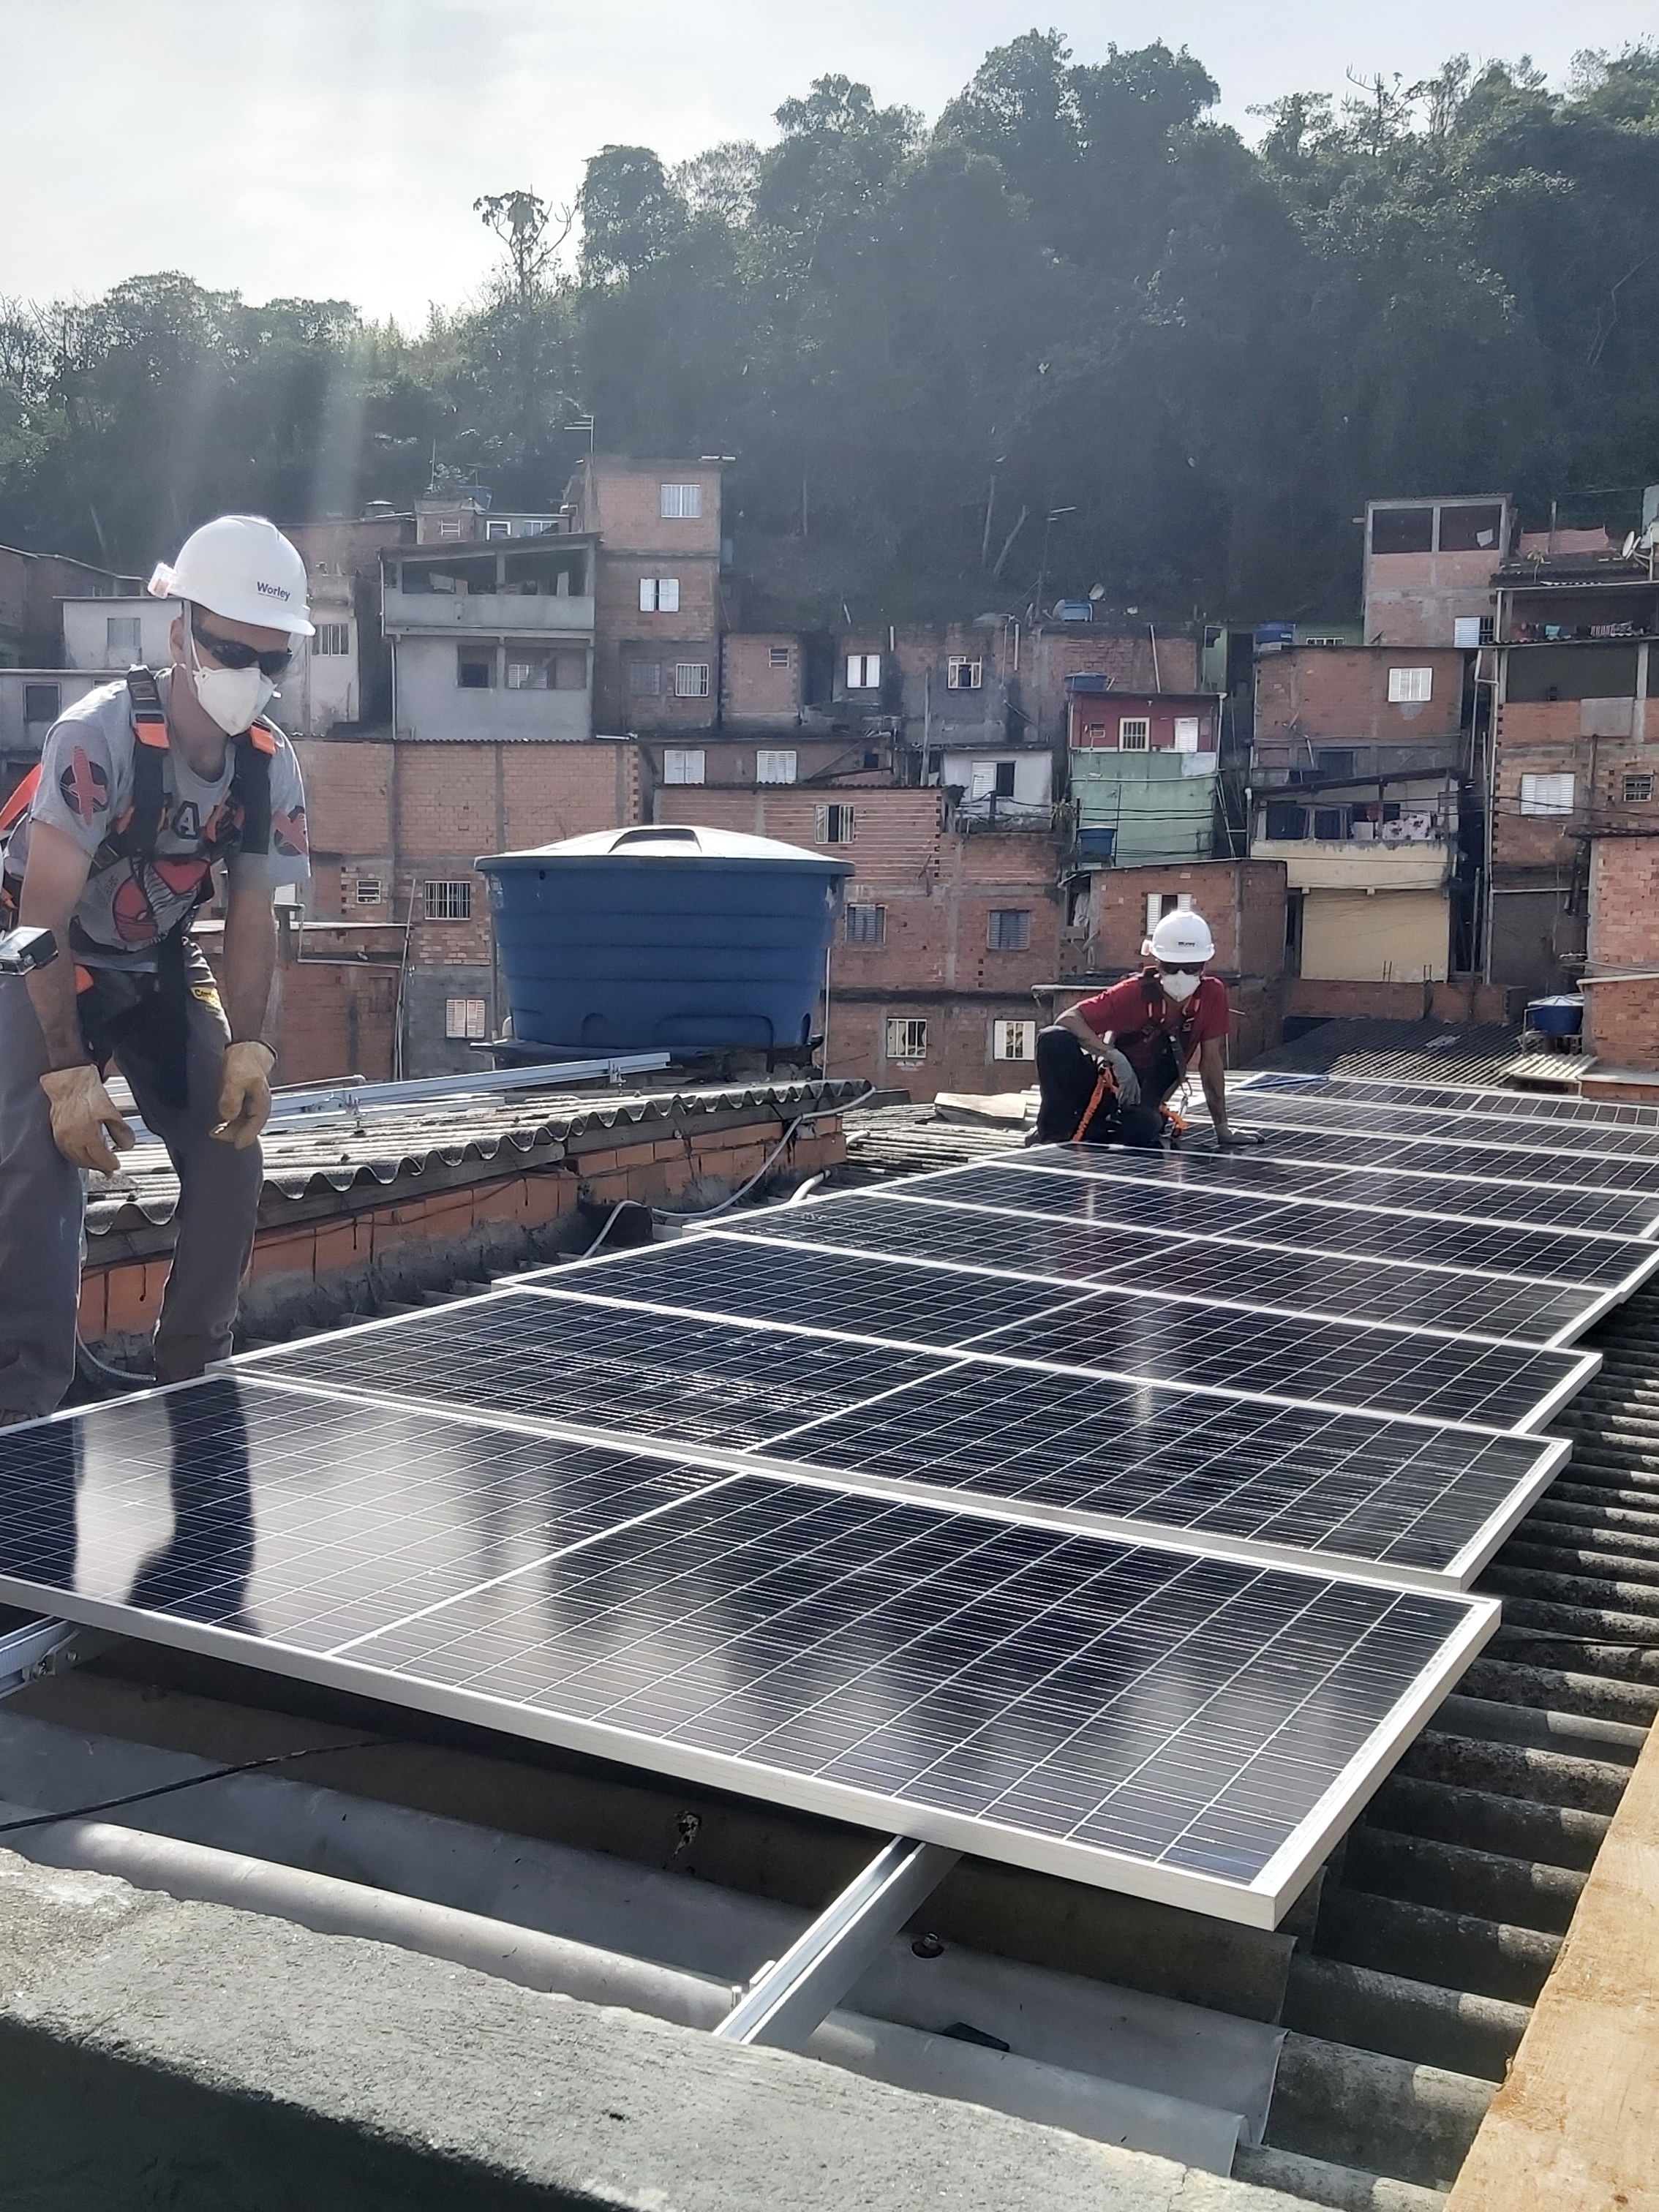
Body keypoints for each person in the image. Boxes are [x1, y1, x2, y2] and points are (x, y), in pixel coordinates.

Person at [0, 515, 314, 1426]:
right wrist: (65, 1071)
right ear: (180, 633)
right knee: (41, 1169)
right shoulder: (94, 741)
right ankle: (25, 1409)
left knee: (233, 1147)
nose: (247, 678)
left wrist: (251, 1048)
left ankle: (195, 1371)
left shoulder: (265, 769)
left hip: (157, 960)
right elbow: (39, 917)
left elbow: (254, 918)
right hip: (39, 958)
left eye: (272, 661)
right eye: (228, 650)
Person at [1033, 908, 1234, 1147]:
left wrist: (1223, 1129)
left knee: (1142, 1129)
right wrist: (1114, 1057)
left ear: (1204, 966)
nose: (1181, 976)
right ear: (1157, 962)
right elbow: (1068, 1018)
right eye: (1171, 967)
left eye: (1191, 968)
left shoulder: (1212, 995)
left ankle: (1096, 1132)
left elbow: (1211, 1063)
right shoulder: (1133, 993)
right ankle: (1052, 1135)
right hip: (1104, 1085)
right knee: (1053, 1039)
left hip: (1145, 1097)